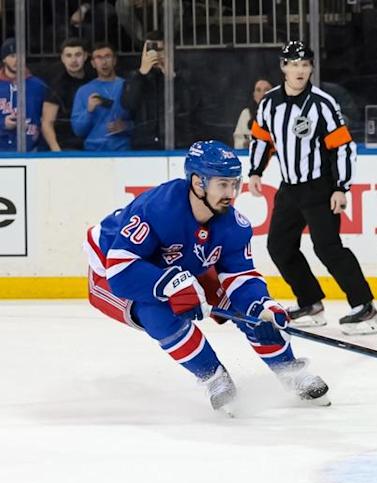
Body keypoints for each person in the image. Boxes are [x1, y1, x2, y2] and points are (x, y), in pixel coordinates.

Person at [82, 140, 330, 412]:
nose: (231, 193)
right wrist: (171, 285)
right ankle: (214, 377)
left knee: (254, 315)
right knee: (160, 315)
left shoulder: (234, 226)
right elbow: (121, 270)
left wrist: (262, 305)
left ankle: (289, 372)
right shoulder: (157, 209)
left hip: (181, 265)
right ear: (198, 182)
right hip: (111, 270)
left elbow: (241, 276)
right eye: (222, 184)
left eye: (234, 184)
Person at [248, 41, 377, 335]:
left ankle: (364, 307)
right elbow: (261, 138)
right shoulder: (269, 103)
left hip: (320, 188)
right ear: (283, 67)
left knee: (328, 247)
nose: (300, 70)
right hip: (290, 188)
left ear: (311, 68)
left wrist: (341, 187)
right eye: (294, 64)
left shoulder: (322, 103)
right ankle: (310, 302)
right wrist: (255, 171)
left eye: (305, 65)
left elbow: (343, 147)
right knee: (279, 247)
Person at [121, 31, 206, 149]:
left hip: (178, 142)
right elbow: (129, 105)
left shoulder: (184, 75)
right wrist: (141, 74)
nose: (155, 54)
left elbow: (191, 105)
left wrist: (173, 78)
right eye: (150, 50)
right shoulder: (135, 77)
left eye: (159, 50)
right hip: (145, 144)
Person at [71, 42, 132, 151]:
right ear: (93, 63)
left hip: (123, 150)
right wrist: (88, 111)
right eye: (99, 58)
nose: (104, 62)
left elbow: (143, 123)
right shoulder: (83, 91)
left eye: (107, 57)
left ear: (114, 60)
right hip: (93, 152)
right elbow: (78, 131)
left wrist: (126, 126)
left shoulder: (127, 87)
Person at [42, 38, 95, 152]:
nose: (73, 60)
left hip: (93, 145)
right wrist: (57, 151)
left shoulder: (93, 80)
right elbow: (47, 122)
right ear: (62, 58)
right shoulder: (57, 85)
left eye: (78, 55)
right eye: (69, 55)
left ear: (85, 56)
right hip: (66, 147)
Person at [0, 37, 48, 151]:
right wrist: (3, 124)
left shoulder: (39, 86)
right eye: (12, 56)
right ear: (4, 59)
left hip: (30, 151)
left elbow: (47, 120)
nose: (17, 60)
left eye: (20, 55)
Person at [233, 77, 273, 149]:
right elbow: (238, 140)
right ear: (254, 95)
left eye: (266, 90)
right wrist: (245, 144)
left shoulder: (281, 114)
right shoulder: (246, 114)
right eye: (258, 90)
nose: (262, 94)